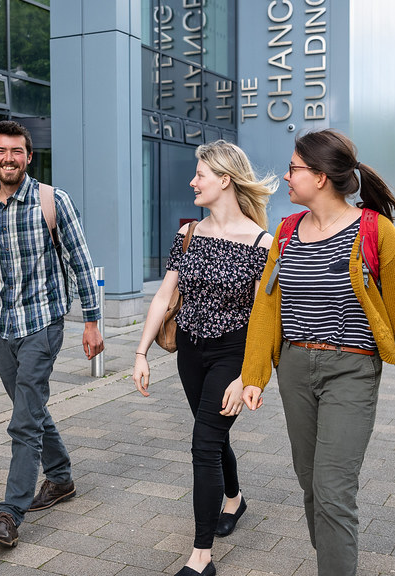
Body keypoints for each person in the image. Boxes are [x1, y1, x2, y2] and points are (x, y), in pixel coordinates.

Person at [238, 129, 395, 576]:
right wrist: (254, 373)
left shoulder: (376, 232)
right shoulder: (287, 231)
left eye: (293, 168)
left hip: (351, 369)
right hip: (294, 366)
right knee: (311, 483)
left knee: (333, 489)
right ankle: (333, 555)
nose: (286, 177)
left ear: (320, 176)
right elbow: (267, 306)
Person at [0, 120, 104, 548]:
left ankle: (9, 514)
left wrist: (92, 322)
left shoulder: (52, 201)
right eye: (0, 151)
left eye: (16, 151)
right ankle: (60, 479)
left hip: (43, 323)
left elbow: (80, 260)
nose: (8, 158)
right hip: (1, 328)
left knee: (23, 420)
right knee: (30, 407)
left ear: (29, 156)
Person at [132, 140, 277, 576]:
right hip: (190, 351)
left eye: (200, 174)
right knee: (211, 436)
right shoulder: (188, 233)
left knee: (203, 444)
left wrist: (246, 377)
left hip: (233, 351)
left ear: (225, 180)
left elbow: (262, 321)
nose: (192, 181)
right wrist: (141, 352)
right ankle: (234, 498)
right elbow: (164, 295)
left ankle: (201, 557)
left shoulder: (261, 243)